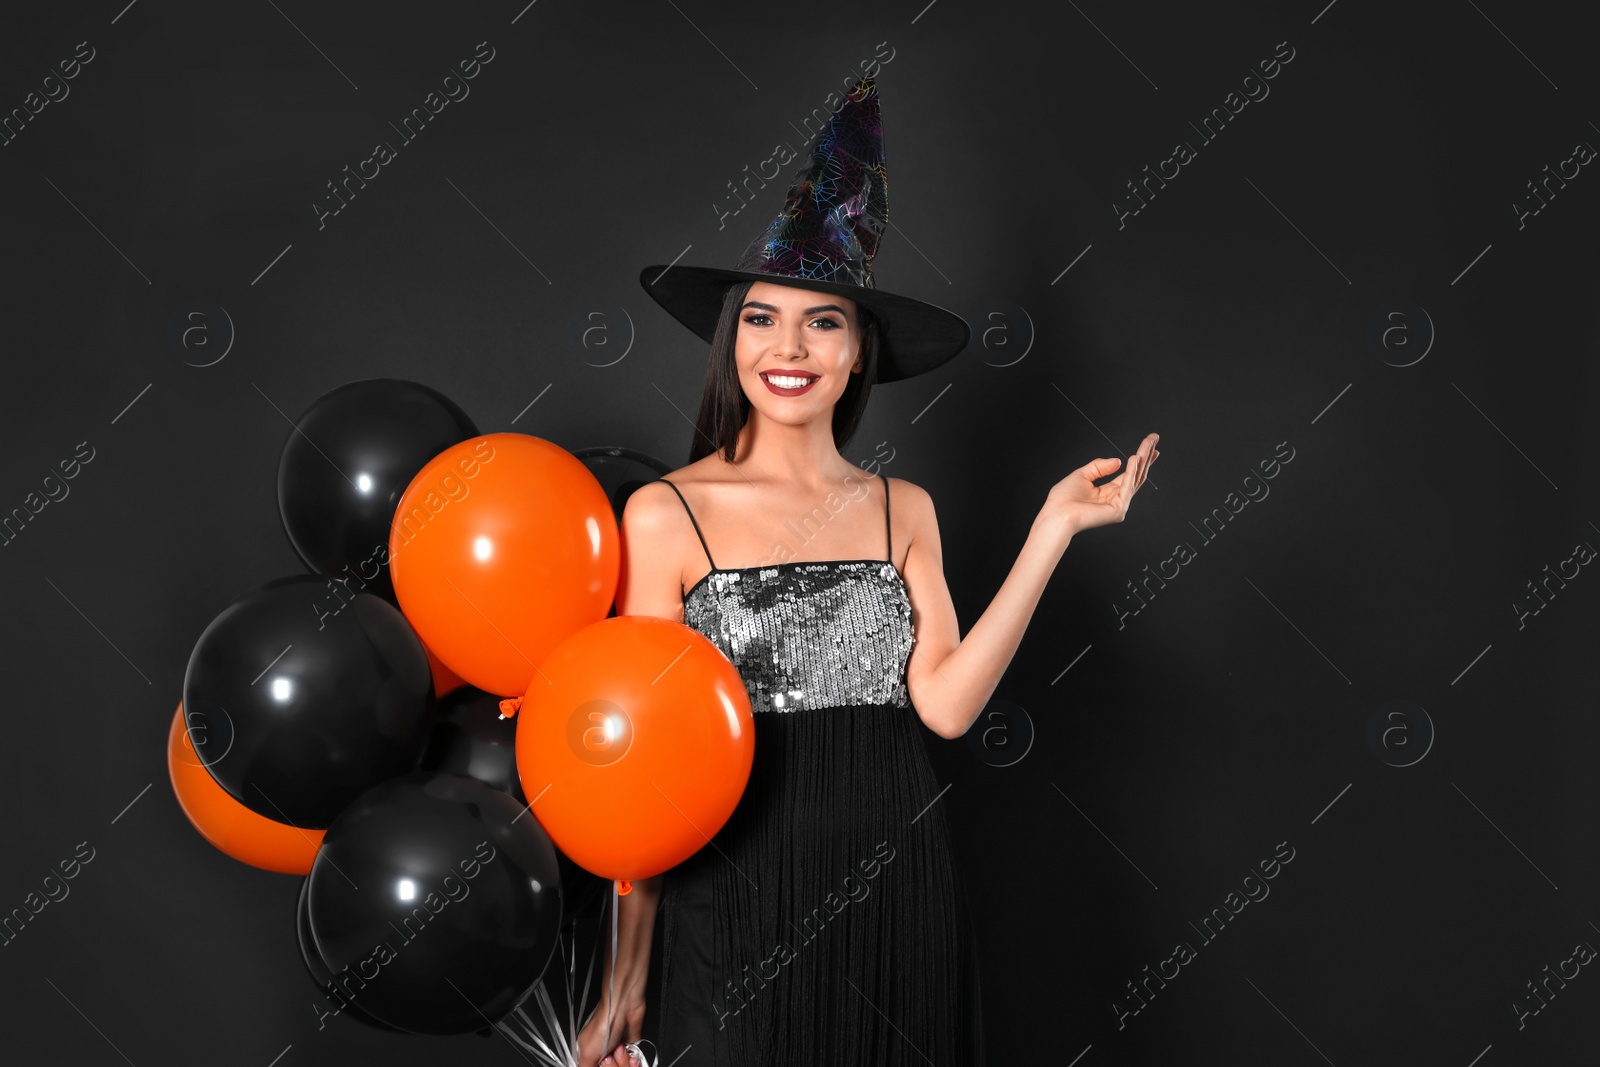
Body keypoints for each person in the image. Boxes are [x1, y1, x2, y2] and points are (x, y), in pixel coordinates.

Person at [576, 75, 1158, 1066]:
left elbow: (943, 707)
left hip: (896, 884)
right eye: (762, 319)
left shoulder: (904, 513)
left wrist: (1052, 528)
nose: (788, 347)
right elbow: (644, 778)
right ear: (733, 342)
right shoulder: (664, 515)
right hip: (732, 892)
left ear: (858, 354)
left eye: (824, 322)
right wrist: (625, 986)